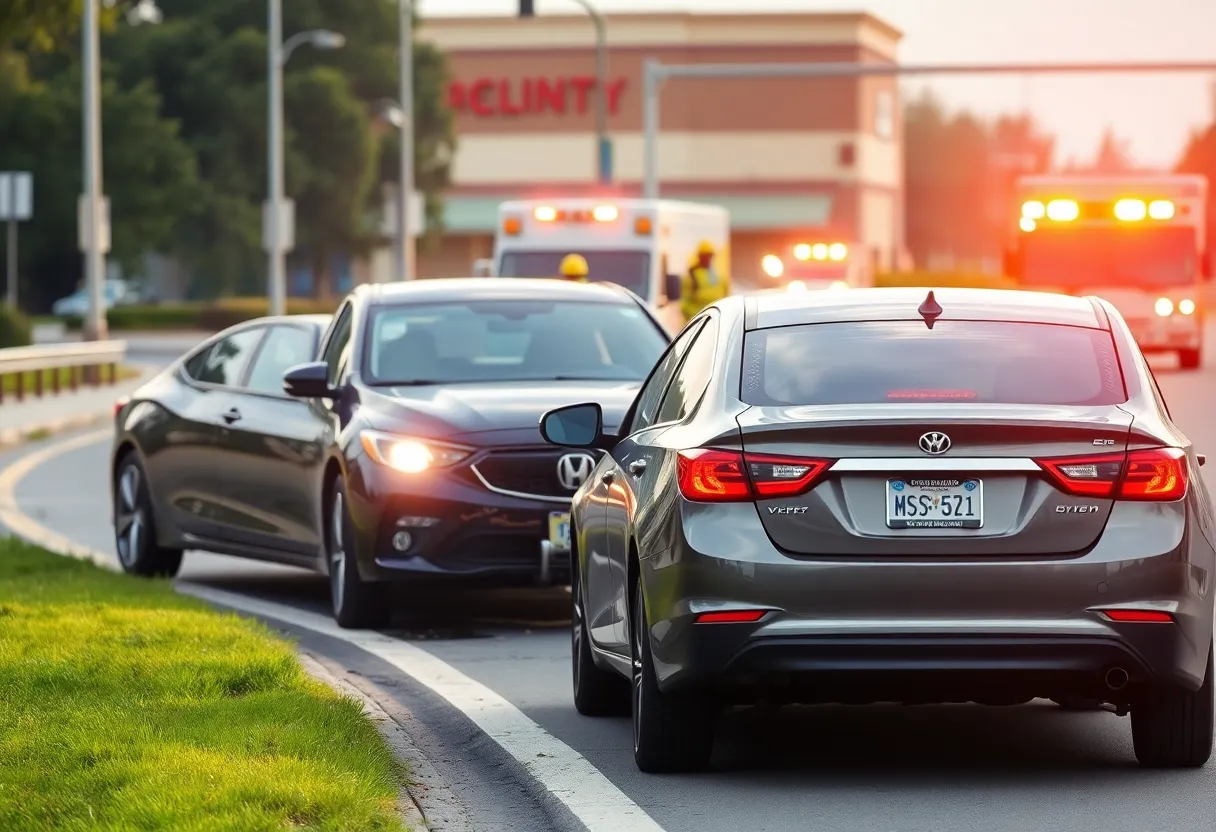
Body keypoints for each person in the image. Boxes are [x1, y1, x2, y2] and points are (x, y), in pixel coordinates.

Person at [680, 240, 729, 321]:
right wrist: (699, 318)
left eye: (709, 255)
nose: (707, 258)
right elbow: (685, 304)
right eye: (705, 255)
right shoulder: (691, 277)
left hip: (715, 320)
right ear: (699, 256)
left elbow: (725, 296)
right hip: (697, 322)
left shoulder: (718, 275)